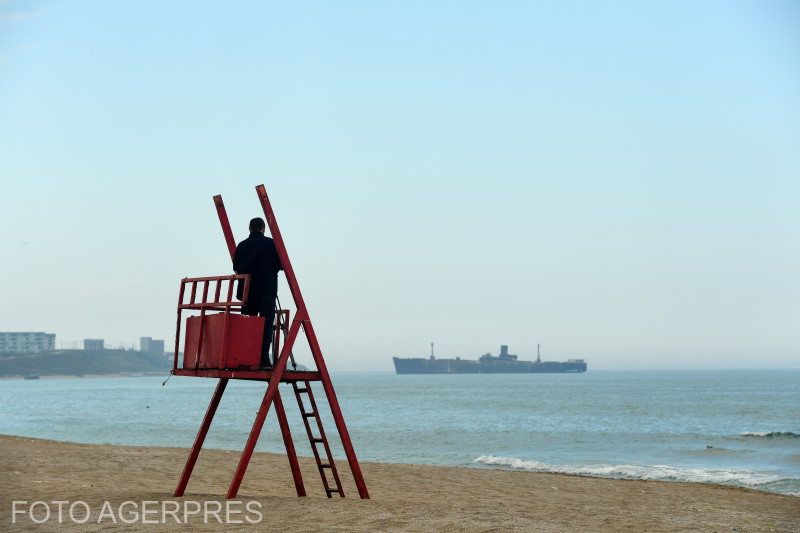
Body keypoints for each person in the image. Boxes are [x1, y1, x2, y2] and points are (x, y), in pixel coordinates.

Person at [233, 217, 283, 367]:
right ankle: (263, 359)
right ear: (264, 229)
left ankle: (247, 358)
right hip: (266, 290)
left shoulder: (241, 246)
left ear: (249, 229)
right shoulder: (270, 243)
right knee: (266, 326)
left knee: (248, 326)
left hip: (246, 292)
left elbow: (236, 267)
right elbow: (280, 265)